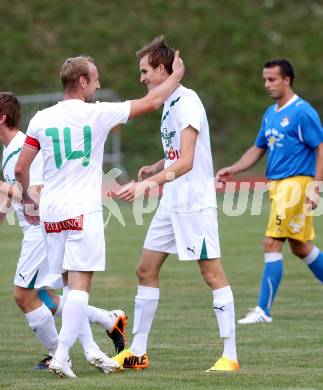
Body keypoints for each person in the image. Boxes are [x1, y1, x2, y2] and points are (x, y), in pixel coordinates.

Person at [14, 52, 185, 378]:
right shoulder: (98, 113)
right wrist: (176, 75)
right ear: (82, 81)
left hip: (51, 210)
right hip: (82, 210)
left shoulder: (40, 119)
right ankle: (62, 356)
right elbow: (150, 102)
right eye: (95, 79)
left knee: (68, 288)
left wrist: (28, 203)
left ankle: (91, 351)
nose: (99, 84)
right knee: (80, 288)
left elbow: (22, 167)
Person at [112, 36, 239, 373]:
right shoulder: (168, 103)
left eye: (145, 71)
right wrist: (156, 165)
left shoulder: (188, 102)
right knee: (145, 269)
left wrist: (146, 184)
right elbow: (175, 154)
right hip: (172, 202)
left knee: (211, 274)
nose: (141, 78)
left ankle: (231, 356)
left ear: (163, 70)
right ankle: (137, 351)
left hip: (193, 202)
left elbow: (186, 162)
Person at [0, 92, 127, 371]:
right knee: (48, 296)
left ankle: (58, 354)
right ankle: (108, 320)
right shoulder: (10, 151)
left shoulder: (24, 148)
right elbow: (9, 199)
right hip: (39, 229)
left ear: (2, 118)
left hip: (44, 230)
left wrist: (5, 188)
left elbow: (38, 191)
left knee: (25, 296)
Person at [217, 59, 323, 324]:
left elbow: (321, 147)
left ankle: (263, 310)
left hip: (295, 184)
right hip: (278, 186)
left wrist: (316, 186)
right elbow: (258, 148)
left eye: (272, 79)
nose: (267, 84)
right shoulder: (270, 113)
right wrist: (235, 168)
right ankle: (263, 310)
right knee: (299, 247)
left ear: (287, 80)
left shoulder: (302, 112)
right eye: (265, 79)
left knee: (271, 243)